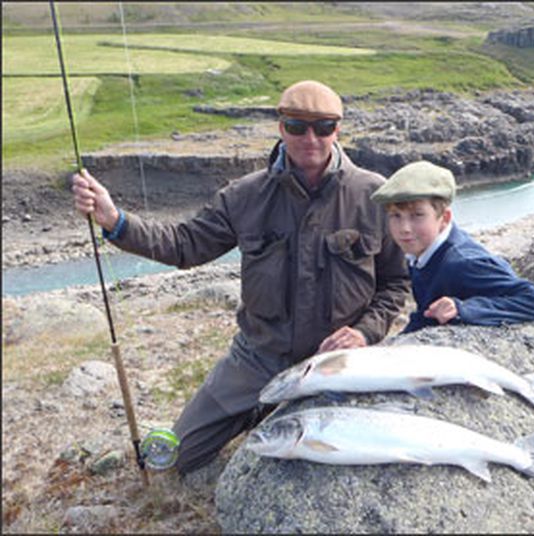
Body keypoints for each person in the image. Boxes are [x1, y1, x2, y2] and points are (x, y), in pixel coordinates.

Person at [72, 80, 410, 476]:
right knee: (173, 461)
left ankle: (270, 413)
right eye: (297, 126)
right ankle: (257, 410)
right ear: (280, 127)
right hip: (256, 358)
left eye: (323, 126)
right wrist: (116, 222)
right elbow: (185, 245)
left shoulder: (375, 195)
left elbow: (395, 283)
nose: (310, 138)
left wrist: (365, 332)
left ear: (338, 130)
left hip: (338, 361)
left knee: (346, 465)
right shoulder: (244, 194)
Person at [370, 160, 534, 333]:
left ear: (445, 218)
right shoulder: (421, 255)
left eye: (417, 215)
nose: (404, 228)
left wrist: (463, 308)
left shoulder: (462, 262)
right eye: (395, 216)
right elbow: (426, 314)